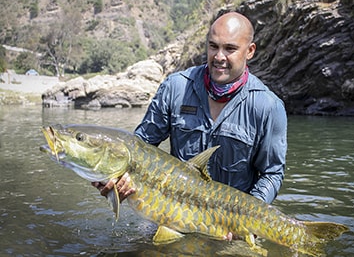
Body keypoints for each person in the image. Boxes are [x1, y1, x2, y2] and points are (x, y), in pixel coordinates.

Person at [93, 11, 287, 205]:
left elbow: (272, 173)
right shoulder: (174, 88)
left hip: (230, 223)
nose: (219, 57)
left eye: (230, 49)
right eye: (213, 46)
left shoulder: (269, 107)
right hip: (173, 211)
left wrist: (248, 217)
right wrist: (119, 177)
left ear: (250, 51)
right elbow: (139, 147)